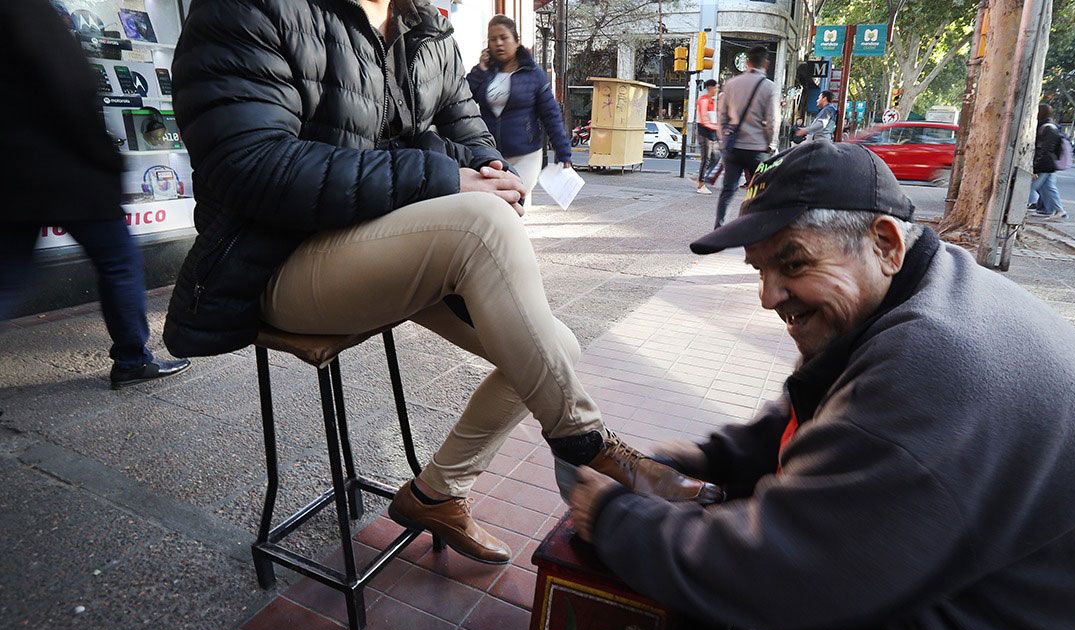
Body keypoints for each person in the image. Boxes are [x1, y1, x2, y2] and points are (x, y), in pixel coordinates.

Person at [569, 142, 1075, 630]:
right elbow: (820, 412)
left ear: (886, 243)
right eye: (759, 270)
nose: (769, 296)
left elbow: (782, 574)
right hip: (1014, 609)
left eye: (792, 263)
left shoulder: (936, 363)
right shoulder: (923, 287)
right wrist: (700, 460)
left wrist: (616, 517)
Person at [165, 0, 719, 566]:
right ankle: (591, 449)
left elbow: (466, 128)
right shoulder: (251, 8)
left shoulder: (424, 26)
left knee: (558, 348)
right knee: (482, 227)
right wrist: (444, 178)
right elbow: (251, 164)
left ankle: (436, 493)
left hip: (382, 238)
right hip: (275, 259)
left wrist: (489, 169)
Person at [0, 0, 190, 389]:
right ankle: (133, 359)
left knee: (8, 277)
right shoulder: (28, 10)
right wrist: (105, 158)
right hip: (68, 171)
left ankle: (133, 358)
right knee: (119, 262)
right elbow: (70, 86)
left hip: (14, 176)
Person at [466, 15, 572, 206]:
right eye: (492, 39)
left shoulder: (533, 74)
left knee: (513, 201)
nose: (498, 43)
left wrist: (563, 153)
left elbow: (551, 115)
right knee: (492, 205)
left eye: (504, 37)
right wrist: (479, 71)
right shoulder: (484, 73)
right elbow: (463, 97)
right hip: (491, 155)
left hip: (526, 155)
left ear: (516, 40)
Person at [714, 46, 779, 229]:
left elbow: (722, 116)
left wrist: (723, 140)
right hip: (757, 147)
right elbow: (772, 119)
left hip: (733, 147)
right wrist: (771, 144)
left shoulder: (731, 84)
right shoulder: (769, 87)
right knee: (760, 190)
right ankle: (754, 229)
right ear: (765, 63)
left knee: (728, 190)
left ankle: (719, 229)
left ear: (747, 62)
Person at [1029, 103, 1067, 220]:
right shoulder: (1050, 126)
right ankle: (1051, 210)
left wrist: (1035, 167)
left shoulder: (1047, 128)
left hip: (1045, 163)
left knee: (1030, 187)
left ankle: (1058, 211)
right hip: (1049, 163)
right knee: (1048, 187)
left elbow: (1045, 149)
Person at [695, 79, 719, 194]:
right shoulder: (704, 101)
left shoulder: (711, 101)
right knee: (706, 158)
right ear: (710, 88)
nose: (717, 90)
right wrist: (717, 128)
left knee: (716, 156)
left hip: (711, 132)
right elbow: (704, 120)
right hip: (704, 131)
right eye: (716, 87)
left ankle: (701, 176)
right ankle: (701, 184)